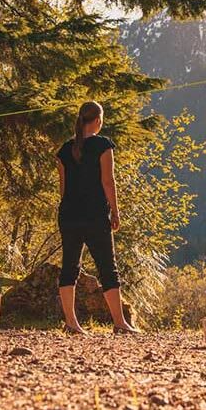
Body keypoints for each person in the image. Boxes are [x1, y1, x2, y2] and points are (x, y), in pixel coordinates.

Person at [55, 101, 141, 335]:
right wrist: (115, 210)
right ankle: (120, 323)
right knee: (107, 267)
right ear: (98, 121)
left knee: (69, 268)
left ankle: (71, 323)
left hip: (69, 215)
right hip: (94, 215)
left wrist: (69, 211)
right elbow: (108, 182)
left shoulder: (64, 150)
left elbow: (63, 189)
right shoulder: (103, 145)